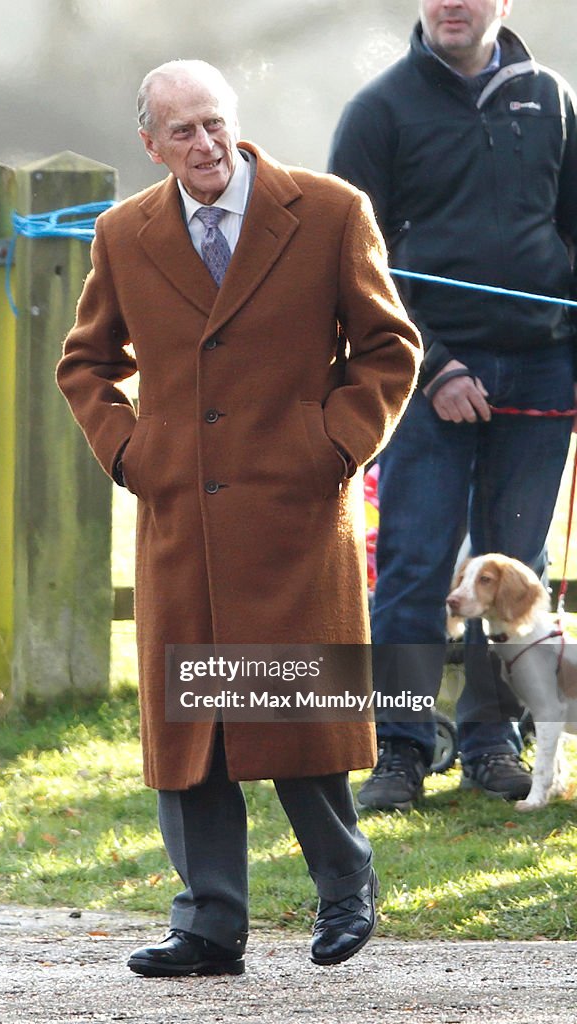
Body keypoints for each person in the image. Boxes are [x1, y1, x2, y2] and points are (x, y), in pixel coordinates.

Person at [56, 59, 421, 976]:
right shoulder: (124, 232)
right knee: (197, 729)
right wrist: (135, 455)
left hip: (296, 509)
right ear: (150, 144)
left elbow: (388, 348)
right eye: (181, 132)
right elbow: (86, 363)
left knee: (292, 705)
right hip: (183, 513)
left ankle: (347, 884)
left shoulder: (330, 210)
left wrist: (332, 445)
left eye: (215, 123)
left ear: (236, 121)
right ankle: (209, 924)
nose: (205, 145)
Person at [328, 0, 577, 811]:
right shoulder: (378, 110)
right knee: (414, 567)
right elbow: (353, 263)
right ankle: (399, 749)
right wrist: (434, 368)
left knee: (516, 572)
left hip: (542, 373)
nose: (452, 3)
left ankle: (491, 743)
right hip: (427, 379)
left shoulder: (553, 99)